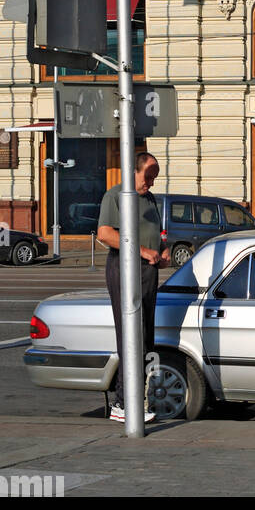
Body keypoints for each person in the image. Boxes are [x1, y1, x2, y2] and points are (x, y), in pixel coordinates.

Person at [97, 152, 171, 424]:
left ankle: (136, 400)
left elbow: (158, 235)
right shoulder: (116, 195)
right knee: (131, 335)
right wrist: (142, 251)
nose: (150, 183)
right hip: (124, 269)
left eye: (154, 178)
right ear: (134, 171)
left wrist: (163, 252)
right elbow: (105, 233)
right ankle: (122, 403)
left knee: (145, 337)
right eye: (148, 177)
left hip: (148, 272)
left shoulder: (150, 199)